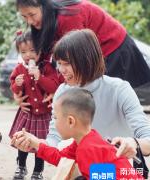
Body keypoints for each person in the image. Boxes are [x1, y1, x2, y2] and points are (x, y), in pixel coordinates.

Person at [13, 29, 150, 179]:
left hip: (121, 172)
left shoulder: (119, 89)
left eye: (67, 64)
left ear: (87, 60)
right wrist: (33, 142)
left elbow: (147, 138)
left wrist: (133, 143)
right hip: (87, 167)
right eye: (59, 63)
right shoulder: (62, 91)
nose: (61, 70)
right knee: (74, 168)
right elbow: (55, 140)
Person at [14, 0, 150, 112]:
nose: (30, 21)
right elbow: (45, 62)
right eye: (25, 17)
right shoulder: (45, 22)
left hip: (113, 48)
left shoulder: (67, 17)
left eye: (32, 15)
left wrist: (57, 90)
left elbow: (74, 61)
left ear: (44, 6)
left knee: (101, 102)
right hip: (91, 52)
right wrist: (22, 92)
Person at [12, 88, 144, 179]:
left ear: (70, 121)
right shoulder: (85, 140)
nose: (54, 122)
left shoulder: (87, 149)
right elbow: (61, 159)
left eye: (56, 118)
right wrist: (35, 142)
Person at [9, 31, 59, 180]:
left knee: (40, 144)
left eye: (32, 50)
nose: (28, 55)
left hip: (43, 114)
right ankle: (21, 166)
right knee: (23, 141)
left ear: (40, 50)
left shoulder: (47, 67)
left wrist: (40, 77)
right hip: (28, 113)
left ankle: (38, 171)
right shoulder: (19, 69)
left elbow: (54, 87)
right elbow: (15, 89)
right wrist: (17, 85)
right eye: (23, 52)